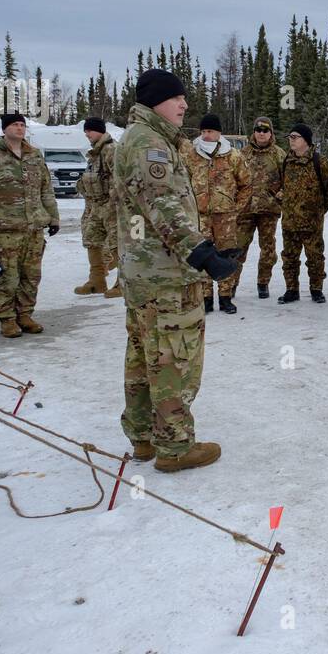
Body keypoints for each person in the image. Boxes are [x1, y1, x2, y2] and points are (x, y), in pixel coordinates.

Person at [112, 69, 237, 473]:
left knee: (143, 354)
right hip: (165, 276)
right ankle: (175, 447)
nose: (185, 105)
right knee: (172, 359)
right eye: (177, 98)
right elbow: (163, 206)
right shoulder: (149, 144)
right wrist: (202, 253)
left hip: (145, 274)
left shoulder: (143, 139)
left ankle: (144, 438)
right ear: (155, 102)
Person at [0, 111, 60, 338]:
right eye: (14, 125)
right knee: (8, 277)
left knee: (31, 276)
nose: (19, 128)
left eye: (22, 125)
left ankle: (25, 314)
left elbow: (46, 189)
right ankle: (6, 318)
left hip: (33, 228)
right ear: (4, 129)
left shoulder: (35, 156)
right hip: (5, 229)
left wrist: (53, 217)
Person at [184, 113, 251, 313]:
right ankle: (206, 297)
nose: (206, 135)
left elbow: (246, 185)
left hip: (226, 216)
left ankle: (225, 296)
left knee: (226, 254)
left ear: (219, 133)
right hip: (200, 216)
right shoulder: (191, 156)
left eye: (210, 131)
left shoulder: (233, 156)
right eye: (203, 131)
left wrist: (235, 208)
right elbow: (183, 185)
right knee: (204, 254)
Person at [220, 116, 285, 311]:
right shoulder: (242, 154)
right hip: (245, 210)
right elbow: (233, 179)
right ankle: (231, 285)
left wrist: (278, 196)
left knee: (268, 250)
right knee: (238, 249)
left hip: (268, 210)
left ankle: (263, 283)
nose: (261, 133)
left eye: (265, 130)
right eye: (258, 130)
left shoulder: (279, 154)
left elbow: (287, 180)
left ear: (271, 133)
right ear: (253, 132)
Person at [277, 123, 328, 303]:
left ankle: (316, 289)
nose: (291, 140)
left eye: (295, 137)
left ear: (306, 141)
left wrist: (319, 209)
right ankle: (291, 289)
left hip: (312, 222)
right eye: (290, 137)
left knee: (315, 257)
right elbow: (282, 186)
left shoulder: (320, 162)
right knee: (289, 258)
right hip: (289, 221)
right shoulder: (287, 161)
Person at [73, 116, 119, 298]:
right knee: (92, 240)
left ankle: (122, 283)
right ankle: (97, 281)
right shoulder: (94, 154)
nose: (87, 134)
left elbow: (119, 179)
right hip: (96, 206)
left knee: (117, 244)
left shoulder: (111, 150)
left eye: (89, 130)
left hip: (111, 205)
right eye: (85, 131)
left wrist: (114, 204)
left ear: (99, 130)